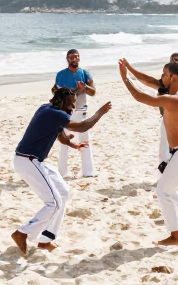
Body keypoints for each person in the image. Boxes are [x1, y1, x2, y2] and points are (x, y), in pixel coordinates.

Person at [120, 58, 178, 245]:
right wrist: (130, 68)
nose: (161, 77)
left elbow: (140, 97)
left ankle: (175, 236)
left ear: (174, 77)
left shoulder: (174, 100)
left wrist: (125, 78)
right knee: (169, 190)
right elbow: (150, 82)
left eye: (164, 74)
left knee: (163, 191)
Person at [10, 89, 112, 254]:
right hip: (27, 161)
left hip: (34, 161)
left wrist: (74, 146)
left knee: (63, 193)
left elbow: (61, 136)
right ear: (62, 102)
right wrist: (100, 113)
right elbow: (83, 126)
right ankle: (23, 232)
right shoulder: (56, 114)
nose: (73, 107)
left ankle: (45, 239)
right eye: (71, 103)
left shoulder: (47, 109)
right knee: (54, 203)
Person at [123, 54, 178, 169]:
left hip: (176, 122)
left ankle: (167, 175)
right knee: (166, 151)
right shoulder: (167, 82)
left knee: (171, 151)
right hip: (167, 120)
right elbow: (148, 80)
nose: (173, 62)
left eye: (176, 61)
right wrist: (129, 68)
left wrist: (124, 77)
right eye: (172, 60)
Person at [53, 49, 97, 178]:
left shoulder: (85, 73)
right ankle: (62, 172)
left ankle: (88, 172)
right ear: (67, 59)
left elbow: (93, 92)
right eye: (72, 57)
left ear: (79, 58)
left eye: (76, 57)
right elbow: (56, 92)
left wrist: (85, 88)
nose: (74, 59)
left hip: (81, 110)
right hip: (66, 112)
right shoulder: (61, 74)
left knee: (85, 139)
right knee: (64, 140)